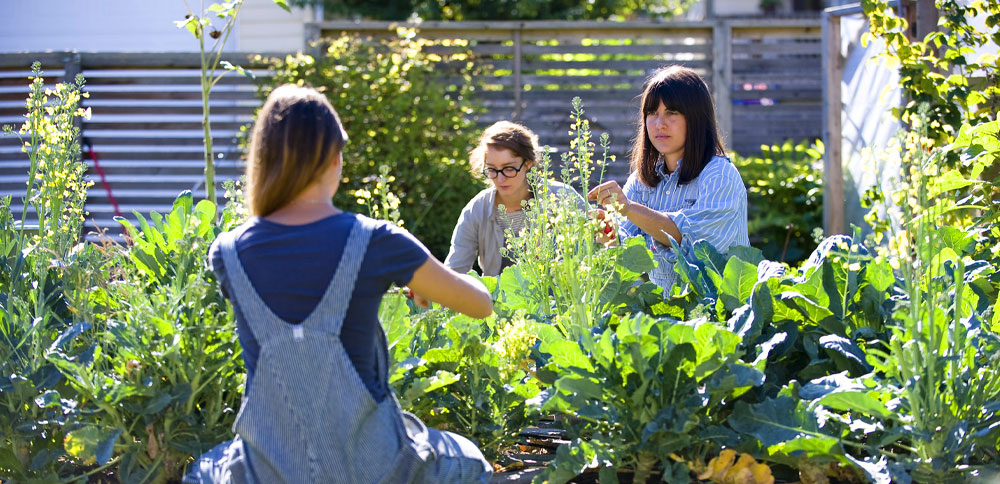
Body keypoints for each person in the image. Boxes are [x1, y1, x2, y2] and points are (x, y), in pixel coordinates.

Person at [183, 85, 494, 484]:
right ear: (334, 159)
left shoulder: (227, 253)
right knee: (467, 461)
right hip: (376, 468)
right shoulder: (376, 241)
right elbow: (479, 304)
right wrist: (424, 281)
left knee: (206, 471)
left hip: (270, 471)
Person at [589, 65, 749, 290]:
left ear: (696, 118)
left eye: (672, 112)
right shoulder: (642, 180)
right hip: (666, 317)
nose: (659, 124)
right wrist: (604, 229)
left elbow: (693, 241)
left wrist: (629, 208)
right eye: (652, 113)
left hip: (721, 316)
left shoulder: (719, 174)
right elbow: (626, 249)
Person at [444, 121, 585, 277]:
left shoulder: (563, 198)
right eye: (492, 169)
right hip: (496, 301)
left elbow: (598, 246)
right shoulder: (477, 210)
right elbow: (455, 271)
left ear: (528, 163)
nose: (500, 178)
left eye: (509, 168)